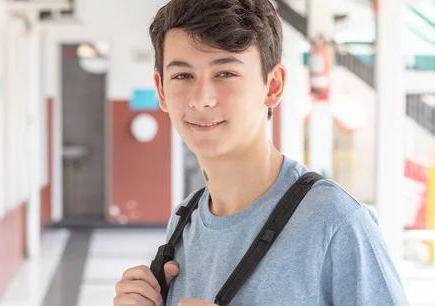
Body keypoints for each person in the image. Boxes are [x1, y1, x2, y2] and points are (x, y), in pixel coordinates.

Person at [113, 0, 409, 305]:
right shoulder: (185, 220)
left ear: (273, 86)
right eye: (182, 76)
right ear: (161, 91)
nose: (201, 100)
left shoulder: (335, 220)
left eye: (225, 73)